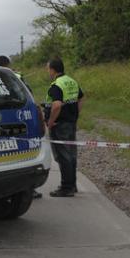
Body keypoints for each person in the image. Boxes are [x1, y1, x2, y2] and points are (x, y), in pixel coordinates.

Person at [0, 55, 41, 198]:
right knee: (23, 155)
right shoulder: (15, 76)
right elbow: (27, 96)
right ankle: (27, 189)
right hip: (18, 117)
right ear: (7, 64)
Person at [43, 57, 83, 197]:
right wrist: (75, 115)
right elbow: (80, 98)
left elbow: (57, 105)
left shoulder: (56, 85)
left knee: (63, 156)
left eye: (48, 68)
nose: (47, 71)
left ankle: (66, 187)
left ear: (53, 69)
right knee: (71, 154)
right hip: (71, 123)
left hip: (59, 125)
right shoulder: (72, 81)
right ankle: (72, 185)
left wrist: (50, 122)